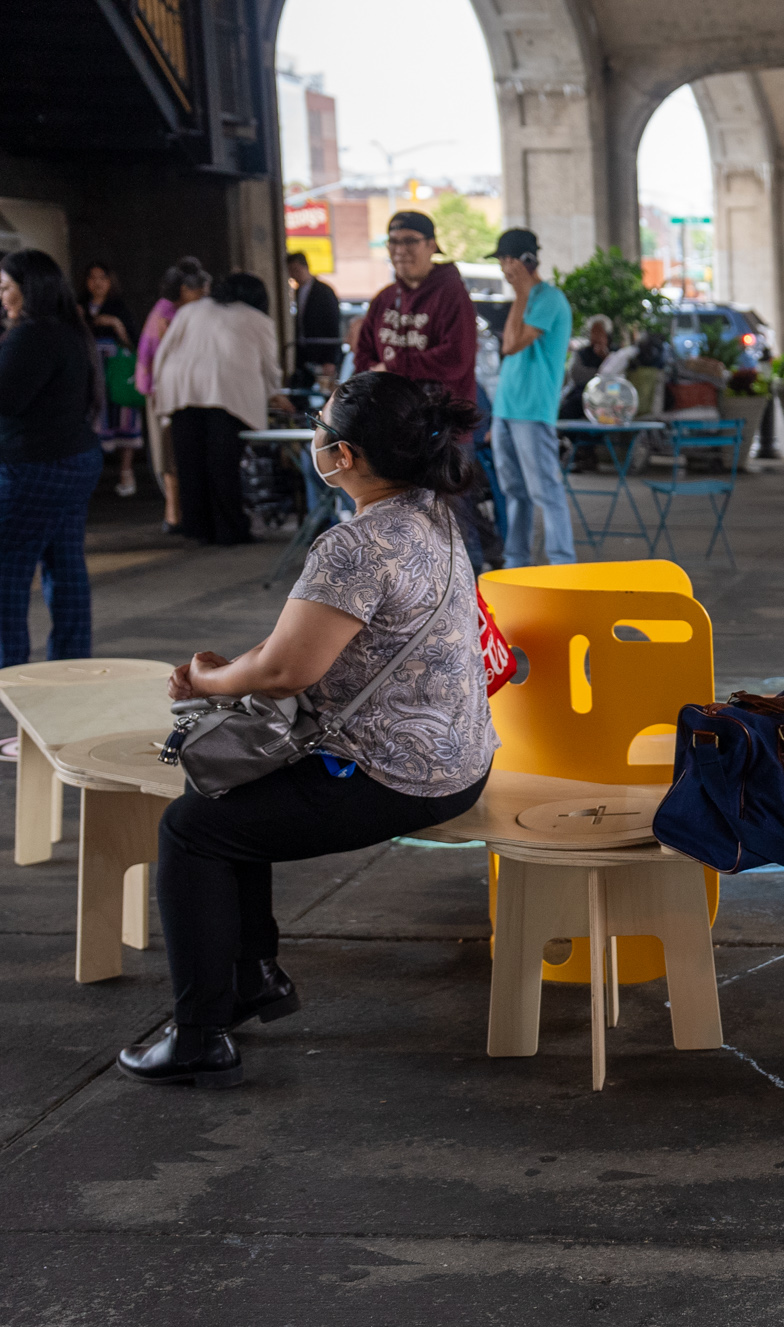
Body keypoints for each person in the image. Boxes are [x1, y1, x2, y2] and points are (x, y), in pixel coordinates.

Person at [117, 372, 497, 1090]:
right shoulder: (437, 515)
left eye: (320, 427)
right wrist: (236, 670)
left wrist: (203, 681)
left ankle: (199, 1034)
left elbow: (286, 670)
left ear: (344, 455)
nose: (313, 438)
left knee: (191, 830)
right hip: (462, 757)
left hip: (397, 777)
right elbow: (295, 652)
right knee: (234, 794)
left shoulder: (354, 545)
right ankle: (252, 976)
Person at [0, 249, 103, 670]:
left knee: (7, 574)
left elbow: (6, 398)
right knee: (65, 566)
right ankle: (70, 667)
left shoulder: (32, 335)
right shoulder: (69, 330)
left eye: (6, 287)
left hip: (34, 467)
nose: (1, 297)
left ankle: (10, 675)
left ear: (31, 289)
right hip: (74, 461)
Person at [152, 271, 281, 546]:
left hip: (181, 391)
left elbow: (165, 350)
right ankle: (230, 530)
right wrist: (274, 393)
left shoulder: (191, 310)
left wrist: (159, 389)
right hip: (226, 395)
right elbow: (269, 366)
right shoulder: (257, 319)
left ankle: (198, 529)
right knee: (222, 466)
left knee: (191, 465)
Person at [487, 228, 576, 567]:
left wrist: (522, 294)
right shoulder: (523, 299)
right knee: (515, 493)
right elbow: (510, 354)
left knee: (545, 492)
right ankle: (516, 562)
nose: (503, 270)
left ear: (521, 261)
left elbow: (511, 345)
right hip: (507, 409)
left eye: (505, 261)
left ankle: (562, 564)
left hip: (533, 410)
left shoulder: (549, 298)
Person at [363, 212, 478, 408]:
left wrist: (393, 367)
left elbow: (456, 357)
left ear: (431, 245)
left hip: (441, 426)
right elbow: (363, 353)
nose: (400, 250)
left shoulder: (452, 294)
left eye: (410, 241)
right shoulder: (384, 298)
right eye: (393, 242)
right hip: (392, 420)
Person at [135, 257, 209, 533]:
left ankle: (175, 513)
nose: (203, 295)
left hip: (166, 390)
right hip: (163, 392)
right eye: (198, 289)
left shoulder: (167, 311)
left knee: (171, 453)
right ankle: (173, 514)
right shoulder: (170, 314)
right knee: (170, 453)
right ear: (184, 290)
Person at [81, 263, 144, 497]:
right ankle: (91, 475)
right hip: (90, 370)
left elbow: (134, 342)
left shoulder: (120, 308)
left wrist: (114, 324)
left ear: (110, 281)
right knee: (93, 418)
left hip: (117, 369)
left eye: (103, 278)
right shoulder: (78, 307)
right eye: (92, 277)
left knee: (124, 416)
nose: (97, 283)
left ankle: (126, 472)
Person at [287, 251, 343, 386]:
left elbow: (333, 323)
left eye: (295, 270)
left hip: (322, 352)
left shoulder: (324, 291)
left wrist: (330, 359)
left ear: (304, 267)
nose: (293, 275)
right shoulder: (297, 291)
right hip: (304, 353)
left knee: (325, 391)